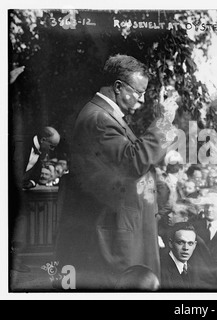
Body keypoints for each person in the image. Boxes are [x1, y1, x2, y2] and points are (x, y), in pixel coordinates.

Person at [55, 54, 178, 289]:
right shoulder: (100, 119)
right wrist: (163, 121)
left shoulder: (105, 116)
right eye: (139, 93)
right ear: (118, 86)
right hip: (114, 235)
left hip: (120, 225)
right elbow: (134, 162)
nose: (141, 100)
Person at [10, 126, 60, 272]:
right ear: (43, 140)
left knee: (18, 225)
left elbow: (36, 173)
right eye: (51, 146)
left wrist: (31, 182)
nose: (51, 149)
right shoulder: (19, 143)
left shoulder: (41, 150)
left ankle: (14, 263)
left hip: (19, 192)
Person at [160, 222, 203, 290]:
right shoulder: (161, 269)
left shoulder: (193, 270)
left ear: (195, 245)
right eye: (180, 242)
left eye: (190, 243)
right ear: (171, 243)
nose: (186, 248)